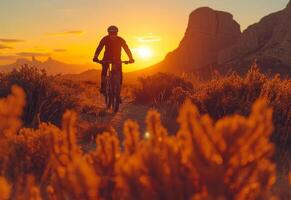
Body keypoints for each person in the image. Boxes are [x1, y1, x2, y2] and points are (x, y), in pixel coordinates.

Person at [93, 25, 135, 94]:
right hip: (106, 58)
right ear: (108, 33)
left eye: (114, 33)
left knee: (120, 74)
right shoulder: (105, 39)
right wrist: (95, 57)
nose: (113, 35)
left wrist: (131, 58)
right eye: (111, 33)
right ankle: (103, 86)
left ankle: (118, 93)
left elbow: (126, 49)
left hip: (117, 59)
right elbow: (99, 48)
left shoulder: (120, 40)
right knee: (104, 71)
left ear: (117, 33)